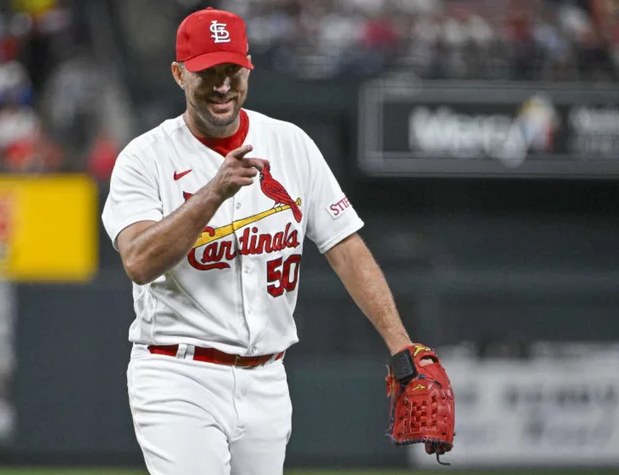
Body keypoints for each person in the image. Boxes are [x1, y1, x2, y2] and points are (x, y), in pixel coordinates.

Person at [102, 7, 429, 475]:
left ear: (248, 67)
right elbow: (137, 260)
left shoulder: (290, 144)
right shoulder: (145, 158)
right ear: (178, 75)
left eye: (232, 70)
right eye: (207, 72)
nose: (222, 84)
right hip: (178, 373)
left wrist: (400, 344)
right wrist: (213, 192)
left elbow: (346, 247)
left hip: (268, 378)